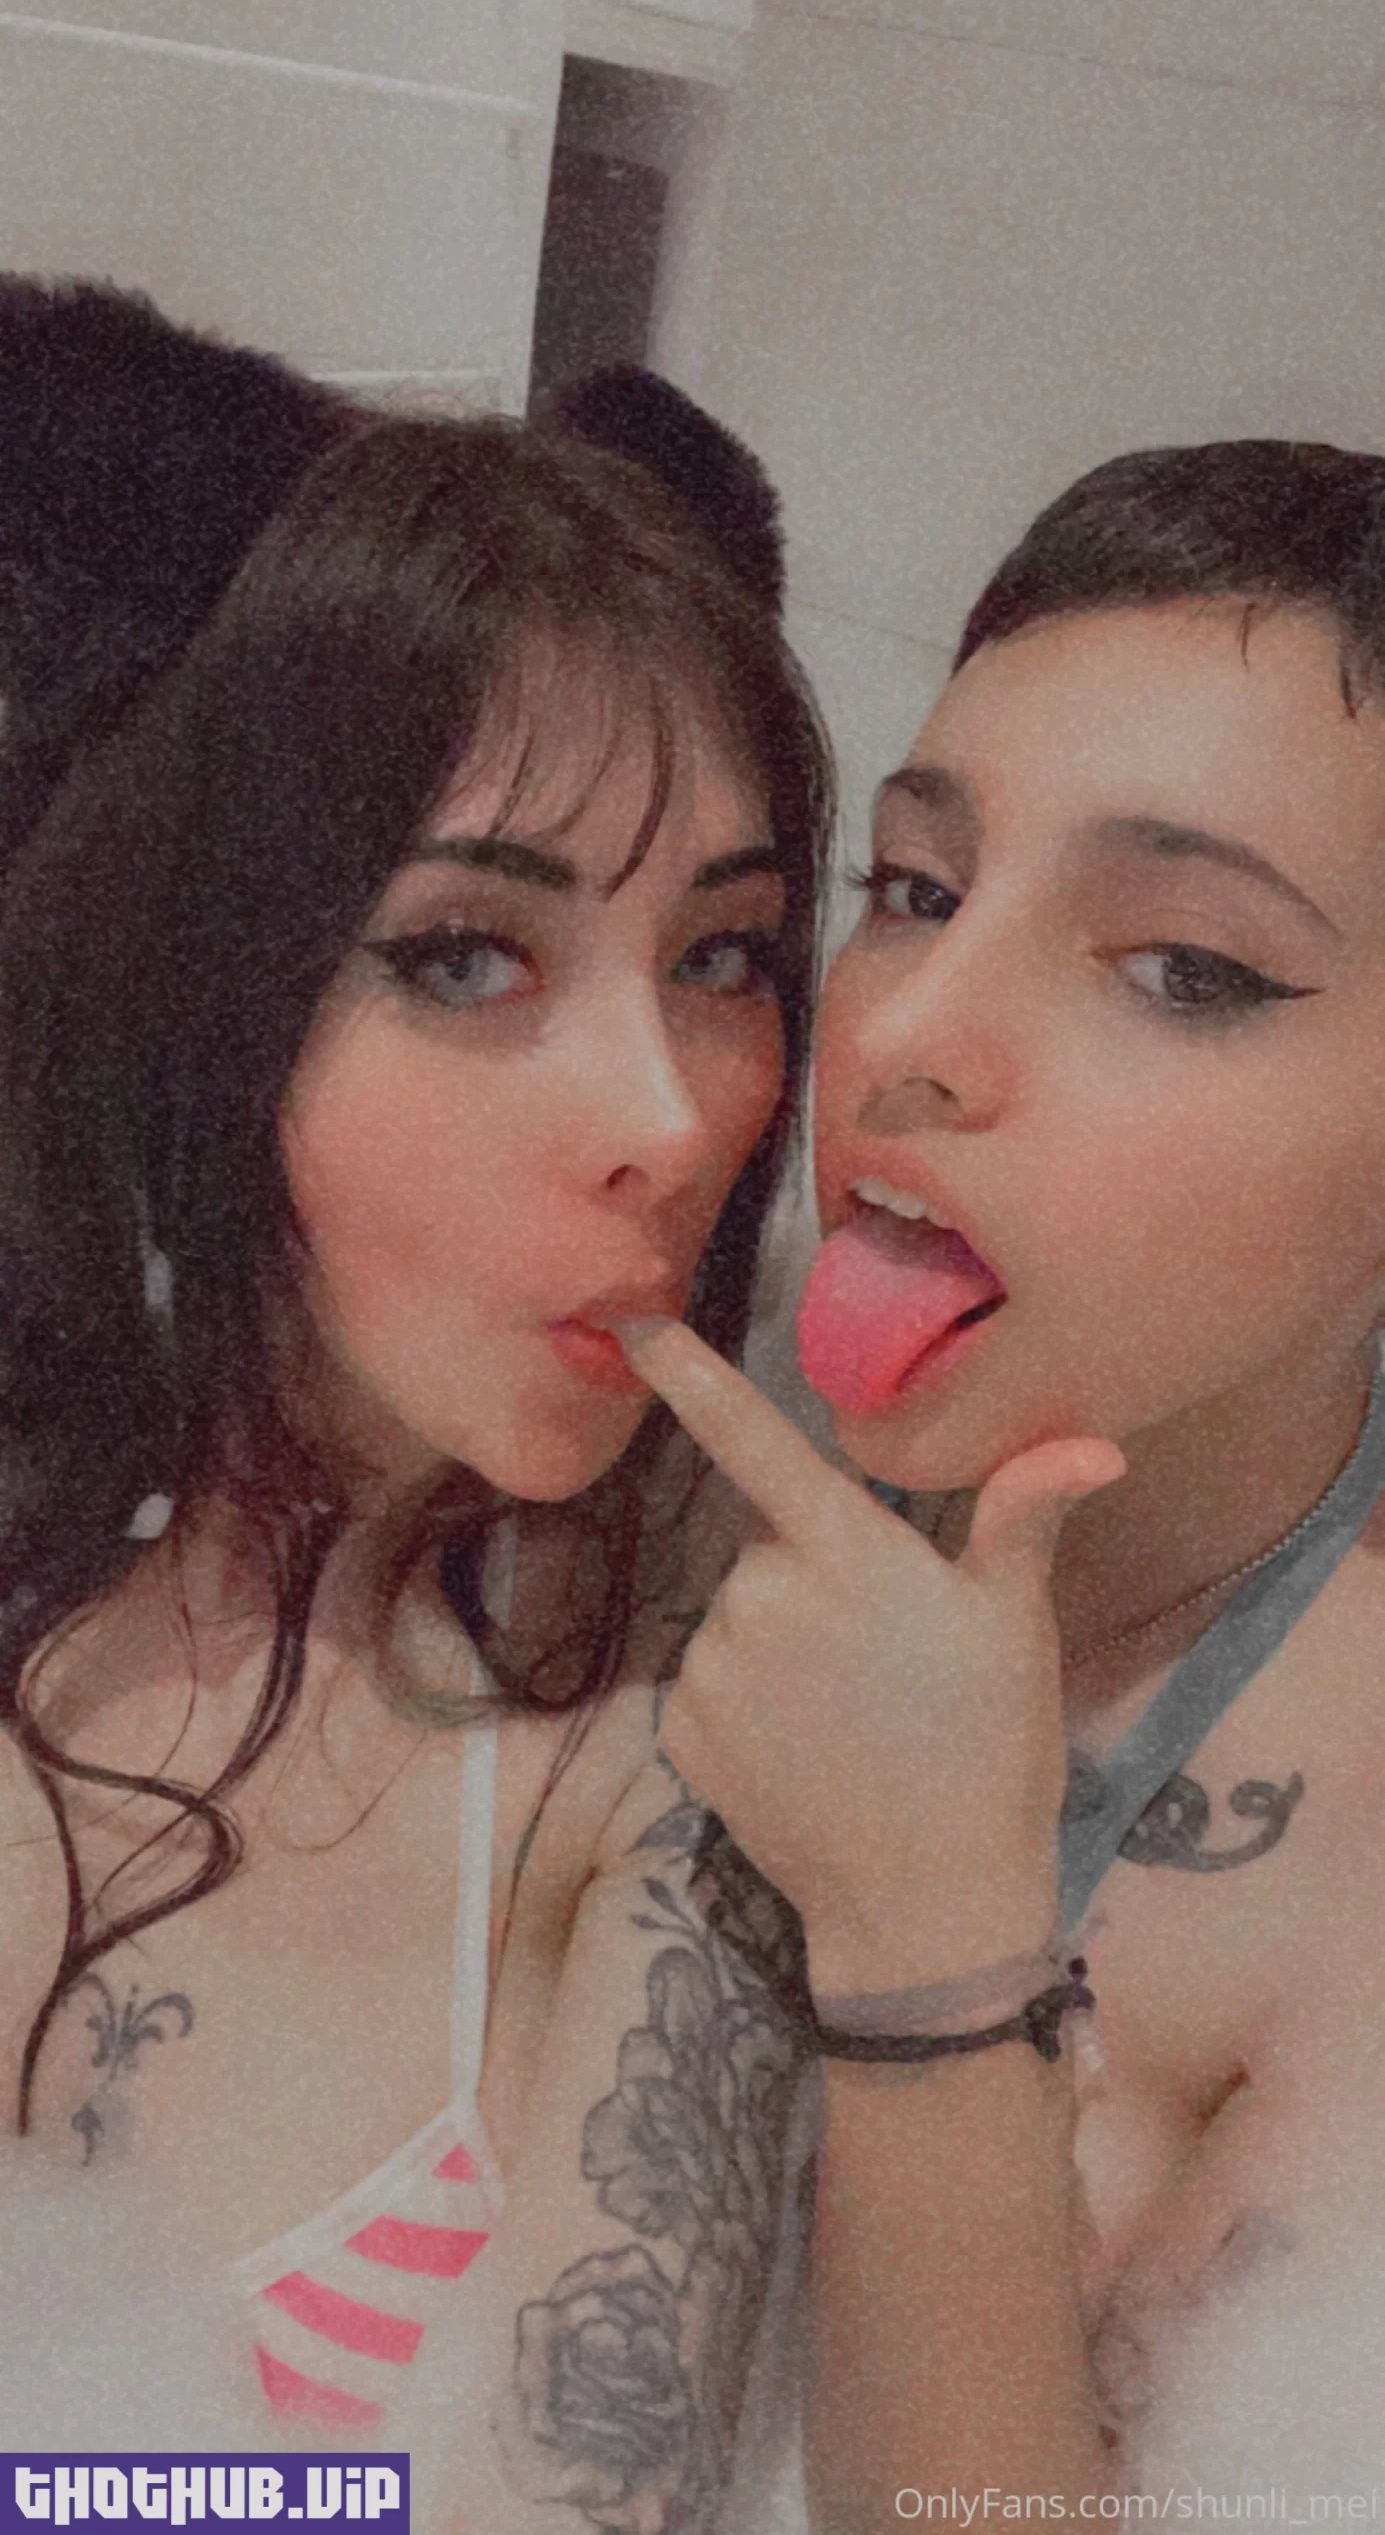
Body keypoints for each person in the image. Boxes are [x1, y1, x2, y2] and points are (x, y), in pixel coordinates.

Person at [0, 279, 833, 2529]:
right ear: (207, 996)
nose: (670, 1116)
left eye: (726, 955)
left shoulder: (679, 1733)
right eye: (468, 954)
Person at [615, 439, 1385, 2525]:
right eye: (916, 890)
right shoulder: (651, 1460)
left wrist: (933, 1950)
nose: (906, 1038)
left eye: (1184, 968)